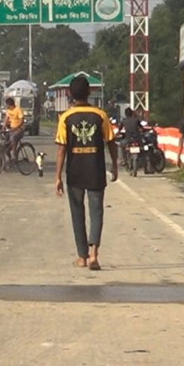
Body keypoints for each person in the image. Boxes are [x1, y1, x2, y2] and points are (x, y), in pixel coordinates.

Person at [55, 76, 118, 271]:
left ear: (70, 94)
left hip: (75, 172)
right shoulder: (100, 115)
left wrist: (57, 177)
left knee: (77, 213)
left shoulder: (66, 117)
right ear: (90, 92)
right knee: (96, 210)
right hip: (95, 170)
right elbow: (111, 142)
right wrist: (115, 165)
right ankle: (94, 254)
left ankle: (82, 257)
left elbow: (62, 149)